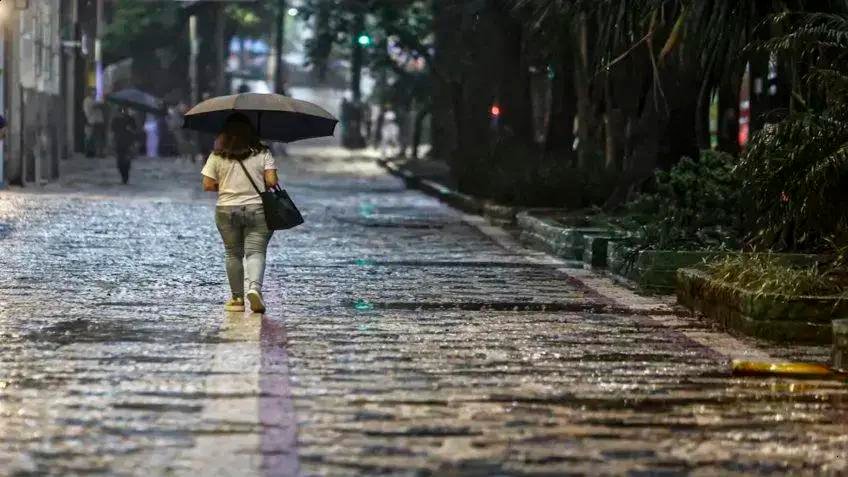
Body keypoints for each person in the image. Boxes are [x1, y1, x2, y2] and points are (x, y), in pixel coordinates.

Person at [201, 114, 278, 313]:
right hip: (257, 209)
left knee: (233, 253)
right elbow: (271, 182)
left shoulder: (217, 155)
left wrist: (227, 184)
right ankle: (254, 289)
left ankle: (236, 299)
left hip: (226, 209)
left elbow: (208, 185)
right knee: (256, 252)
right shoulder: (263, 152)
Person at [111, 107, 139, 184]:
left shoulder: (130, 119)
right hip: (119, 142)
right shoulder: (116, 120)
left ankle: (125, 177)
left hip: (127, 142)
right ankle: (124, 176)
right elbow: (113, 131)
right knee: (120, 161)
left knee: (126, 160)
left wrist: (131, 130)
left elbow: (135, 130)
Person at [82, 88, 105, 157]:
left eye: (95, 92)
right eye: (93, 92)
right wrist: (103, 101)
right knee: (90, 137)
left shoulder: (94, 100)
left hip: (98, 121)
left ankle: (98, 153)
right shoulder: (88, 100)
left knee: (98, 137)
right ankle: (89, 153)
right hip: (92, 121)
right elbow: (95, 105)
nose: (95, 93)